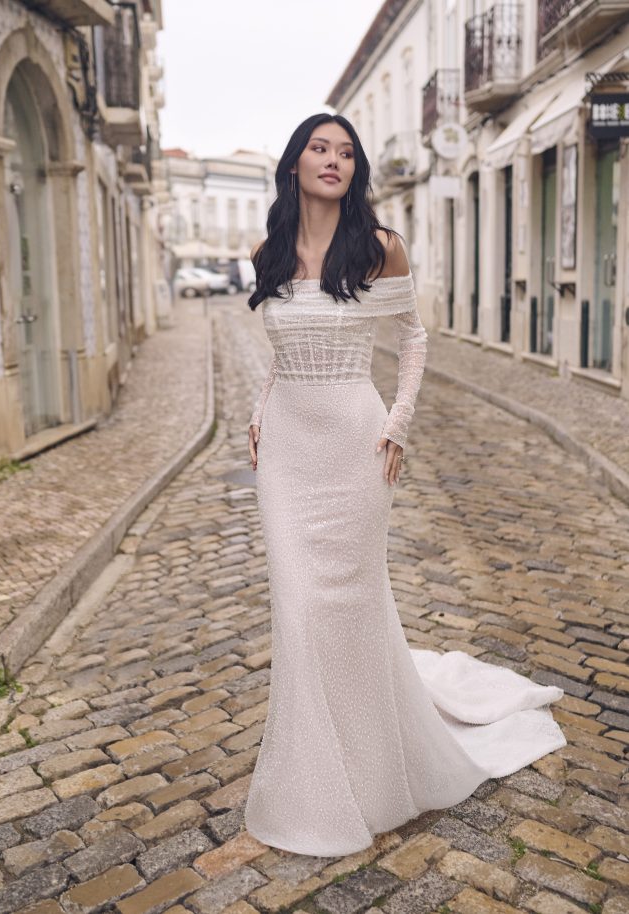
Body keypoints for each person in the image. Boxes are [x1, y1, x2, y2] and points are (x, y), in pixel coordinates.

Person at [243, 113, 566, 858]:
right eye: (320, 149)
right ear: (294, 164)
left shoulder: (379, 248)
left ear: (355, 170)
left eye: (346, 152)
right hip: (288, 453)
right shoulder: (266, 251)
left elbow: (414, 339)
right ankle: (309, 782)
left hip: (357, 447)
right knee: (297, 608)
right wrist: (260, 412)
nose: (334, 161)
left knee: (351, 607)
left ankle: (375, 761)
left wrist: (399, 423)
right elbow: (282, 348)